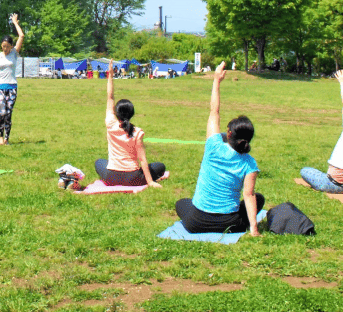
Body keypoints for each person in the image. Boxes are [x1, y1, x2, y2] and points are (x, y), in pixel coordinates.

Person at [175, 61, 262, 235]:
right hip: (230, 224)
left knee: (181, 203)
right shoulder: (249, 163)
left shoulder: (213, 145)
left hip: (196, 223)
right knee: (258, 198)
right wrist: (254, 228)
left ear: (228, 134)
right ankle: (243, 225)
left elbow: (214, 111)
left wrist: (216, 80)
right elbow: (249, 195)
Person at [94, 58, 166, 187]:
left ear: (116, 113)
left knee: (99, 162)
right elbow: (142, 159)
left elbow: (110, 97)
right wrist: (150, 182)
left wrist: (110, 75)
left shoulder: (110, 124)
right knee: (160, 166)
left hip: (111, 177)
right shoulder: (137, 132)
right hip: (133, 178)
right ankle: (153, 178)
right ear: (132, 114)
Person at [0, 14, 25, 145]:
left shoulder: (14, 53)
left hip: (12, 87)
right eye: (3, 46)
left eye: (7, 46)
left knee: (8, 114)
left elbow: (21, 36)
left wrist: (15, 22)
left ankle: (7, 138)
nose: (5, 49)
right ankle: (0, 136)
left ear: (11, 46)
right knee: (2, 113)